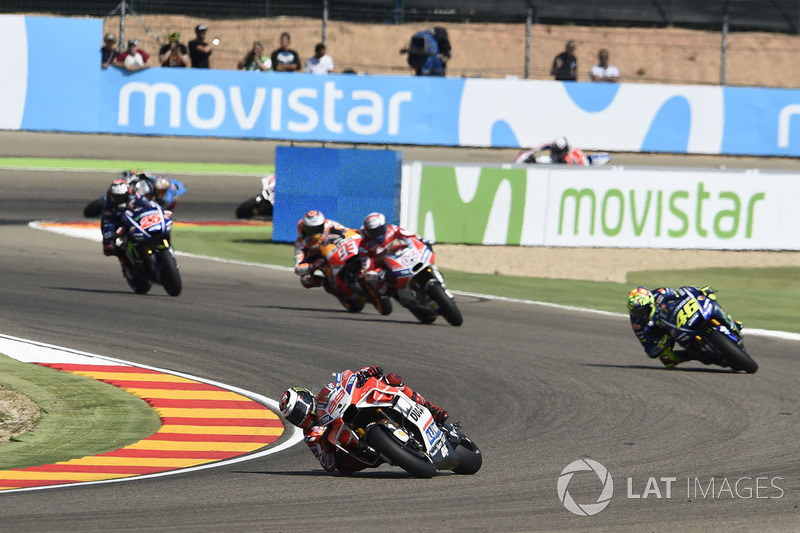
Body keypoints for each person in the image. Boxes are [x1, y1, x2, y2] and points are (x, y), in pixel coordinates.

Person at [279, 365, 449, 474]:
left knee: (390, 380)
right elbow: (328, 465)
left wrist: (366, 373)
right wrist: (324, 443)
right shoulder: (310, 435)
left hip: (353, 410)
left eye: (299, 411)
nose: (300, 418)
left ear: (307, 399)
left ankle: (432, 409)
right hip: (356, 453)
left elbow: (347, 379)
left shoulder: (324, 393)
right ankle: (392, 451)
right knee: (343, 468)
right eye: (295, 417)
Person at [627, 286, 743, 368]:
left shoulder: (660, 293)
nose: (640, 315)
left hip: (678, 316)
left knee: (709, 299)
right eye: (636, 312)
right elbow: (649, 350)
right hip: (668, 334)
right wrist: (662, 343)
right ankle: (695, 354)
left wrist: (699, 291)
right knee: (668, 359)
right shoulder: (637, 323)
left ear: (650, 303)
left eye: (643, 311)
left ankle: (729, 321)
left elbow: (683, 292)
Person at [358, 212, 433, 291]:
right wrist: (373, 273)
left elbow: (408, 235)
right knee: (381, 289)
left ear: (385, 226)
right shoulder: (365, 245)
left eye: (379, 230)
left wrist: (421, 239)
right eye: (374, 232)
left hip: (391, 257)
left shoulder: (392, 229)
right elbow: (367, 266)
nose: (377, 234)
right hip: (380, 266)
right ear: (367, 232)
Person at [100, 179, 159, 270]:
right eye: (117, 198)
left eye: (122, 197)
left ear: (128, 194)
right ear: (112, 197)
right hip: (123, 228)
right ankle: (127, 267)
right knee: (117, 246)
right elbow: (107, 225)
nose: (120, 200)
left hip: (139, 222)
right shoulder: (109, 208)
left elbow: (149, 206)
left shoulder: (136, 197)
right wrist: (108, 242)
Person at [293, 210, 348, 289]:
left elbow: (347, 231)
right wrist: (314, 264)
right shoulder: (301, 242)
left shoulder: (330, 224)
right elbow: (297, 269)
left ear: (322, 224)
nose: (314, 232)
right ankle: (328, 284)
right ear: (304, 227)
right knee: (306, 280)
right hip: (318, 259)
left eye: (317, 228)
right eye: (310, 229)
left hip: (334, 250)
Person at [513, 137, 588, 165]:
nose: (554, 152)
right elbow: (541, 147)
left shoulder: (569, 158)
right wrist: (527, 154)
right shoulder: (556, 145)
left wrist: (535, 161)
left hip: (579, 166)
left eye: (557, 151)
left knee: (541, 160)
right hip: (560, 160)